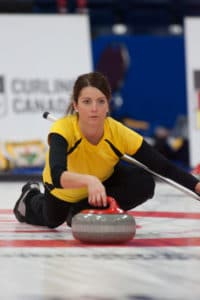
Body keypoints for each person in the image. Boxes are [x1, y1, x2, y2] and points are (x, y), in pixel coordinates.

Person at [13, 72, 200, 228]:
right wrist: (89, 181)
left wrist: (195, 186)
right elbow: (56, 175)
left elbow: (163, 166)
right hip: (64, 189)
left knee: (144, 183)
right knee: (52, 220)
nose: (94, 109)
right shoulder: (62, 130)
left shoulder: (117, 132)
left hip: (101, 180)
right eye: (87, 102)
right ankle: (29, 197)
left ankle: (81, 210)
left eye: (100, 101)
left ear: (108, 104)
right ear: (76, 105)